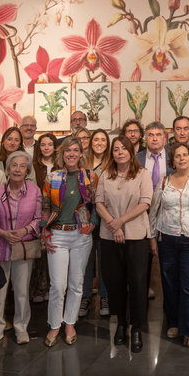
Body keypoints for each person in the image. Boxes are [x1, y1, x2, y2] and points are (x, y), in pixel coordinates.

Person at [150, 142, 189, 354]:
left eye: (185, 155)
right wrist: (152, 238)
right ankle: (174, 323)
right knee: (169, 283)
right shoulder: (164, 180)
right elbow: (155, 210)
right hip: (167, 238)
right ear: (172, 160)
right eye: (177, 156)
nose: (182, 158)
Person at [96, 136, 152, 352]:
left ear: (131, 151)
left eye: (123, 149)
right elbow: (98, 202)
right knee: (115, 282)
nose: (119, 152)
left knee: (137, 283)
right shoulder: (105, 175)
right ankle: (120, 324)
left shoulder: (142, 174)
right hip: (110, 236)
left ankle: (136, 327)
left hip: (136, 237)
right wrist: (113, 224)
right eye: (116, 149)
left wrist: (121, 221)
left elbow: (145, 202)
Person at [41, 137, 97, 348]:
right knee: (58, 285)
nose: (72, 154)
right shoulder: (52, 178)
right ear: (62, 154)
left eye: (76, 150)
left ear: (81, 154)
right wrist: (44, 232)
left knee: (76, 284)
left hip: (82, 236)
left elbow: (96, 205)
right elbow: (45, 207)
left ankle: (70, 324)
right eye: (67, 151)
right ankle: (54, 324)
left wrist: (92, 222)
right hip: (57, 235)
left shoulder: (90, 177)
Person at [0, 151, 42, 347]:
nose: (17, 169)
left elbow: (38, 219)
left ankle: (21, 328)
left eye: (22, 166)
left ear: (27, 170)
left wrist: (25, 230)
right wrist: (2, 232)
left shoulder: (35, 190)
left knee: (21, 291)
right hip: (1, 246)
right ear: (8, 169)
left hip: (23, 247)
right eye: (14, 165)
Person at [80, 129, 111, 317]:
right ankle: (85, 296)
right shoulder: (83, 161)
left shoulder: (112, 163)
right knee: (86, 259)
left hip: (106, 215)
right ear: (91, 142)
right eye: (96, 139)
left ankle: (105, 295)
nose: (99, 143)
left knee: (105, 259)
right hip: (85, 215)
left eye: (103, 140)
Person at [30, 133, 57, 304]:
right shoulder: (33, 165)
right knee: (39, 253)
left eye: (50, 144)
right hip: (37, 211)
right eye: (43, 144)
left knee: (53, 250)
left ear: (55, 147)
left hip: (57, 213)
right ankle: (39, 288)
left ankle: (52, 287)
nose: (46, 147)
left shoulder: (61, 165)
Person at [137, 121, 174, 189]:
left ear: (165, 138)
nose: (154, 139)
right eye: (151, 135)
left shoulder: (173, 157)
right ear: (145, 138)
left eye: (158, 135)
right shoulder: (136, 159)